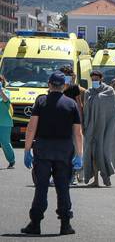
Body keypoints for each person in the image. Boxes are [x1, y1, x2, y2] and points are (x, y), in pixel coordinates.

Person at [21, 71, 83, 235]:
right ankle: (65, 224)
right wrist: (80, 154)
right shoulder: (71, 104)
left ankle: (35, 224)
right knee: (63, 187)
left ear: (49, 85)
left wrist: (27, 150)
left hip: (43, 149)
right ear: (64, 86)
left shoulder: (41, 101)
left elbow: (31, 127)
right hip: (64, 150)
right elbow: (77, 133)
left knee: (41, 187)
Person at [83, 71, 115, 187]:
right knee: (92, 153)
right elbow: (86, 110)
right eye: (93, 79)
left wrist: (97, 99)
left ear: (101, 78)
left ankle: (106, 175)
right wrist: (85, 126)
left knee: (104, 152)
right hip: (92, 128)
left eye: (96, 79)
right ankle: (95, 180)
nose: (94, 81)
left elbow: (113, 110)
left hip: (106, 128)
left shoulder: (109, 91)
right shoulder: (88, 92)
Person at [0, 75, 15, 169]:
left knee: (5, 143)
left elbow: (6, 100)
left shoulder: (7, 92)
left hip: (4, 122)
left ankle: (11, 160)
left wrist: (0, 90)